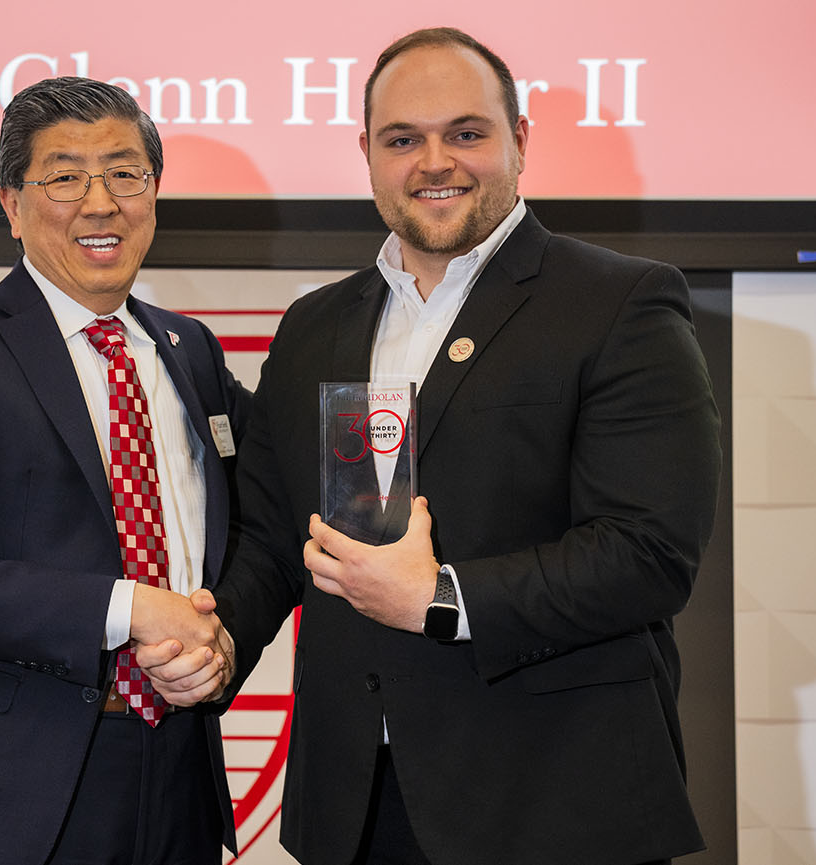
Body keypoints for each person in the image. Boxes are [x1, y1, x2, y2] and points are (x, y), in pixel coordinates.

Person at [145, 26, 721, 865]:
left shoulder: (621, 303)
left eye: (466, 133)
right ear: (368, 155)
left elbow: (649, 553)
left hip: (557, 805)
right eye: (403, 139)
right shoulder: (315, 326)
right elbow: (274, 538)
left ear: (520, 143)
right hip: (357, 808)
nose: (434, 161)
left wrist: (442, 598)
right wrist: (219, 636)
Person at [0, 76, 247, 865]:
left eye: (125, 174)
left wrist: (217, 638)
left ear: (154, 194)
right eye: (64, 177)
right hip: (1, 796)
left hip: (176, 782)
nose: (100, 202)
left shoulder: (188, 351)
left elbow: (254, 516)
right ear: (11, 204)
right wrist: (133, 607)